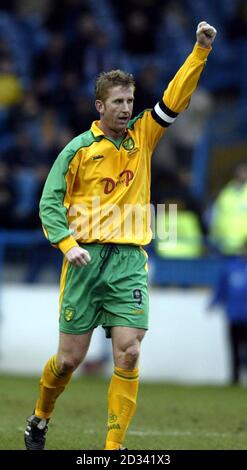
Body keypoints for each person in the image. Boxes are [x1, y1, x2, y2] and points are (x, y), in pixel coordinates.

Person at [24, 21, 217, 450]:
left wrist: (199, 52)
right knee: (69, 361)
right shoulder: (76, 151)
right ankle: (40, 417)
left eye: (130, 100)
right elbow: (50, 204)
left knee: (129, 351)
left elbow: (173, 100)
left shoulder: (143, 138)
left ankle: (113, 449)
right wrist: (68, 244)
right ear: (100, 106)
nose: (127, 107)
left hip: (129, 260)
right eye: (118, 101)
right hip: (85, 261)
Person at [208, 242, 247, 385]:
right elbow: (221, 288)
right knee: (234, 348)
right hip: (234, 315)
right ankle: (235, 378)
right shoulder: (231, 268)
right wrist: (213, 303)